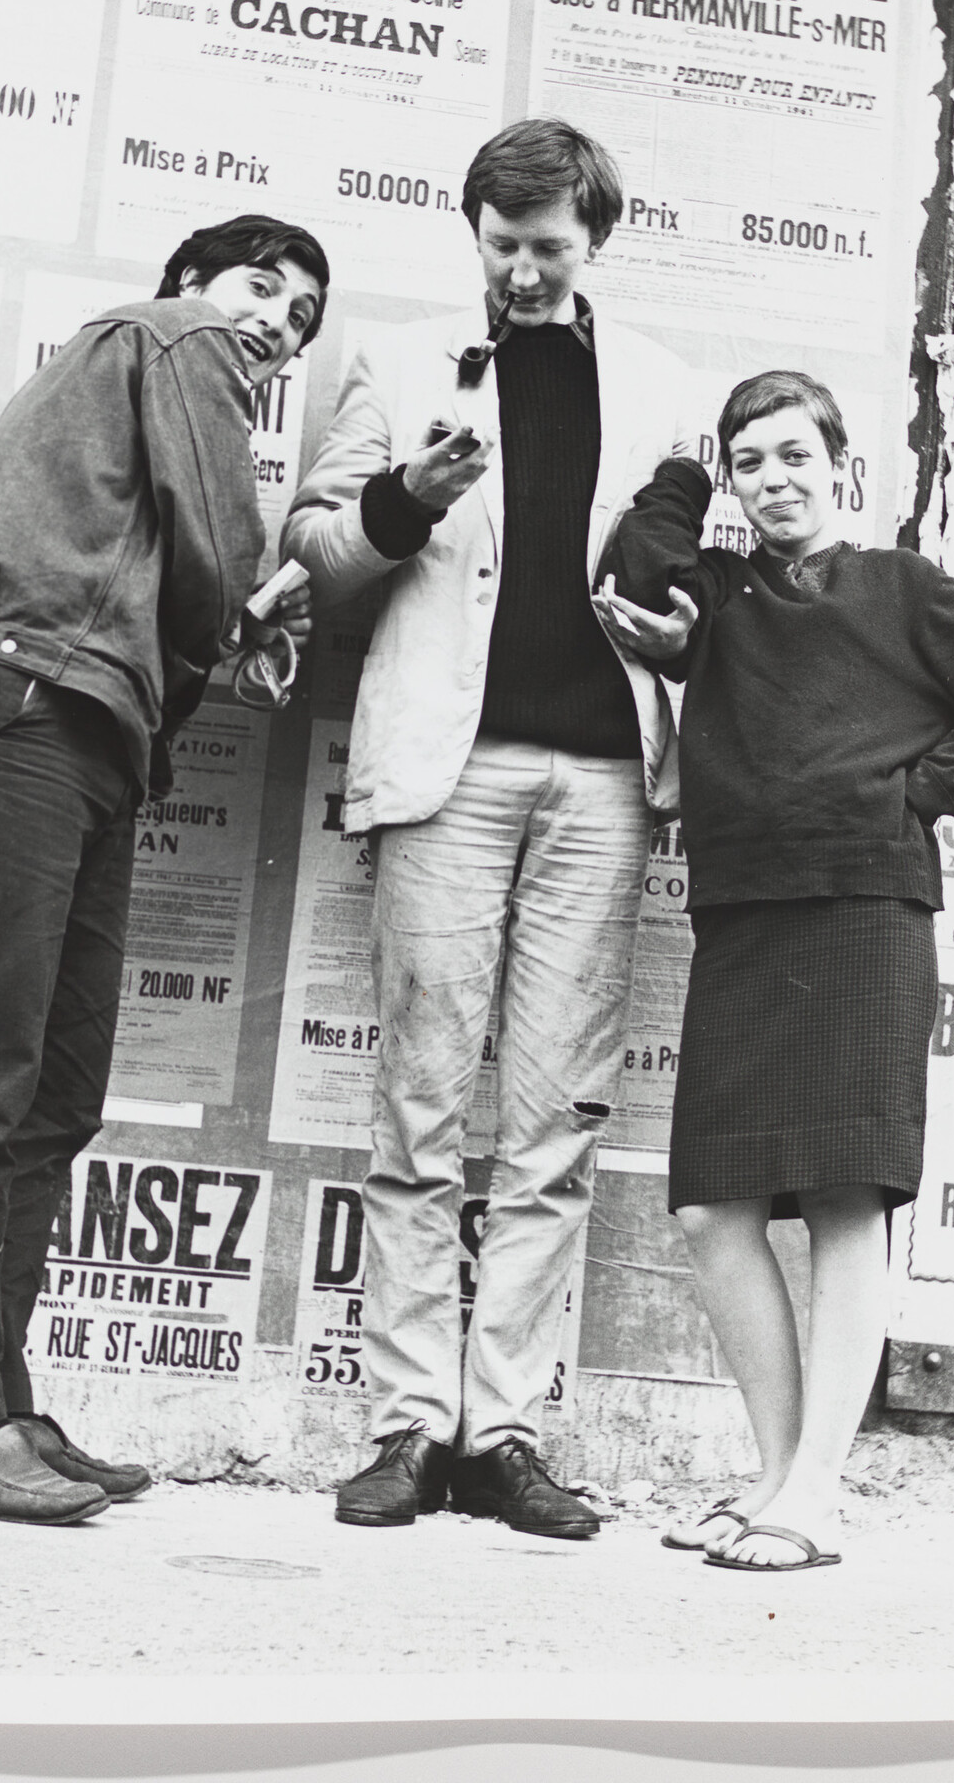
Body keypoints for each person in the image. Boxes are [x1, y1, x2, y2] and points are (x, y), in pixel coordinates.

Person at [0, 215, 329, 1524]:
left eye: (298, 319)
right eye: (261, 287)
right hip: (16, 703)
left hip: (81, 730)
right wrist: (253, 613)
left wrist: (223, 638)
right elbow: (216, 563)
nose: (273, 324)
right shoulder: (168, 335)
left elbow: (178, 594)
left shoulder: (153, 372)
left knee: (54, 1089)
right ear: (190, 283)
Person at [282, 119, 701, 1540]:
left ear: (596, 243)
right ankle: (408, 1425)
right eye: (501, 244)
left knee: (549, 1126)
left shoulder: (661, 388)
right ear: (470, 231)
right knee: (418, 1105)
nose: (522, 270)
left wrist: (682, 628)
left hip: (598, 781)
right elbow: (316, 557)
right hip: (442, 775)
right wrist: (407, 502)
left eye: (549, 248)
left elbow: (697, 585)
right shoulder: (397, 364)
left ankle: (503, 1432)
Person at [595, 369, 954, 1571]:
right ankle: (773, 1475)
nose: (774, 480)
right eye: (749, 461)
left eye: (794, 456)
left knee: (850, 1198)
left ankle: (814, 1491)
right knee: (712, 1207)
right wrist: (678, 475)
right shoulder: (718, 589)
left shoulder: (900, 585)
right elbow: (632, 569)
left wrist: (917, 793)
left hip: (866, 904)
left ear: (841, 468)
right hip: (748, 911)